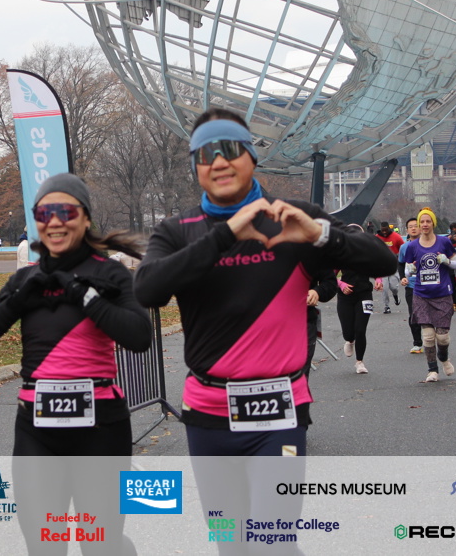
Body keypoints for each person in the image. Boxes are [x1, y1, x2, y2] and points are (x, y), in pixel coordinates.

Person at [133, 109, 395, 551]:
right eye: (205, 154)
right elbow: (147, 290)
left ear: (252, 157)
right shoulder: (179, 230)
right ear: (196, 166)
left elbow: (383, 261)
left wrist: (321, 235)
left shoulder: (293, 218)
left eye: (230, 149)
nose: (219, 162)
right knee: (229, 543)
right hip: (208, 416)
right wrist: (226, 234)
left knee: (274, 541)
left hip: (279, 413)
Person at [0, 173, 150, 556]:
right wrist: (16, 301)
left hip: (101, 430)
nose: (55, 221)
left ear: (85, 218)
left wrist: (87, 297)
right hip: (37, 432)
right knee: (45, 545)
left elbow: (139, 336)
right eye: (44, 213)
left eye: (66, 211)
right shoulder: (26, 279)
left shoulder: (109, 273)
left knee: (101, 546)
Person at [402, 207, 456, 383]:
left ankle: (444, 358)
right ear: (419, 225)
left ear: (433, 223)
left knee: (442, 336)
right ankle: (432, 370)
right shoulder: (412, 246)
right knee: (427, 336)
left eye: (428, 221)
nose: (425, 224)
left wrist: (447, 261)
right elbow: (407, 270)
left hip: (442, 293)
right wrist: (410, 270)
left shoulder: (444, 242)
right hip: (421, 294)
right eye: (422, 222)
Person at [336, 225, 381, 374]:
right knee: (348, 332)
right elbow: (328, 275)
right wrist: (341, 284)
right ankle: (349, 340)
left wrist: (378, 280)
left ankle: (359, 362)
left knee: (360, 330)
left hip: (364, 294)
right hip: (346, 296)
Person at [398, 217, 423, 353]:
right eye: (410, 226)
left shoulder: (429, 244)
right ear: (407, 230)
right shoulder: (404, 247)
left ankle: (431, 339)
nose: (413, 228)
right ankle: (417, 343)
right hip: (412, 285)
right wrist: (402, 277)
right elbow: (401, 264)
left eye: (416, 225)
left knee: (429, 313)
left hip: (429, 285)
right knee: (413, 313)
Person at [374, 221, 403, 313]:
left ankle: (395, 295)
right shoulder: (377, 238)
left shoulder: (396, 237)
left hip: (394, 266)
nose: (384, 232)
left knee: (394, 287)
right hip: (382, 267)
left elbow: (403, 249)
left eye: (386, 230)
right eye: (383, 230)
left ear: (389, 228)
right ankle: (386, 306)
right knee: (385, 288)